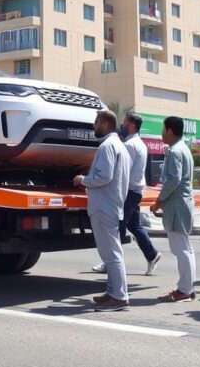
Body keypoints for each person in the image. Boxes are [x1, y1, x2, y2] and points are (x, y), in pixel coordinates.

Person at [74, 110, 131, 312]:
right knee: (112, 252)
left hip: (104, 206)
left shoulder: (107, 146)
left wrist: (83, 180)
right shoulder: (120, 146)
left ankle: (119, 297)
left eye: (96, 122)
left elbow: (104, 176)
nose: (94, 126)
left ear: (105, 124)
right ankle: (113, 292)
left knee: (111, 254)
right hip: (112, 205)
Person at [91, 113, 162, 276]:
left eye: (124, 124)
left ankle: (111, 262)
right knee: (134, 225)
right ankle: (152, 255)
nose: (121, 127)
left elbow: (121, 169)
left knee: (117, 227)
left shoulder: (129, 145)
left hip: (128, 191)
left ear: (132, 126)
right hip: (136, 191)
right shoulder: (140, 143)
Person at [151, 116, 197, 302]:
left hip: (177, 206)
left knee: (181, 249)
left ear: (170, 131)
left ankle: (184, 290)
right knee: (186, 248)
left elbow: (173, 180)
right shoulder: (183, 148)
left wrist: (159, 201)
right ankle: (188, 288)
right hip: (182, 204)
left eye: (163, 129)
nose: (162, 133)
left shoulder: (175, 151)